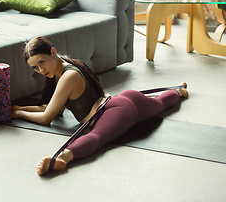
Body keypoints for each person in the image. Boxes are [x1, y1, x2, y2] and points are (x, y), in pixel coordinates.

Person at [11, 36, 188, 175]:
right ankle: (179, 91)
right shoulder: (63, 67)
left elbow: (46, 117)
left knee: (96, 137)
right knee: (158, 103)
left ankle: (62, 159)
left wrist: (18, 115)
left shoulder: (67, 77)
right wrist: (18, 108)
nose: (41, 70)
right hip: (122, 101)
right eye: (35, 68)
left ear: (52, 52)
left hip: (115, 111)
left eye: (41, 62)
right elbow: (50, 109)